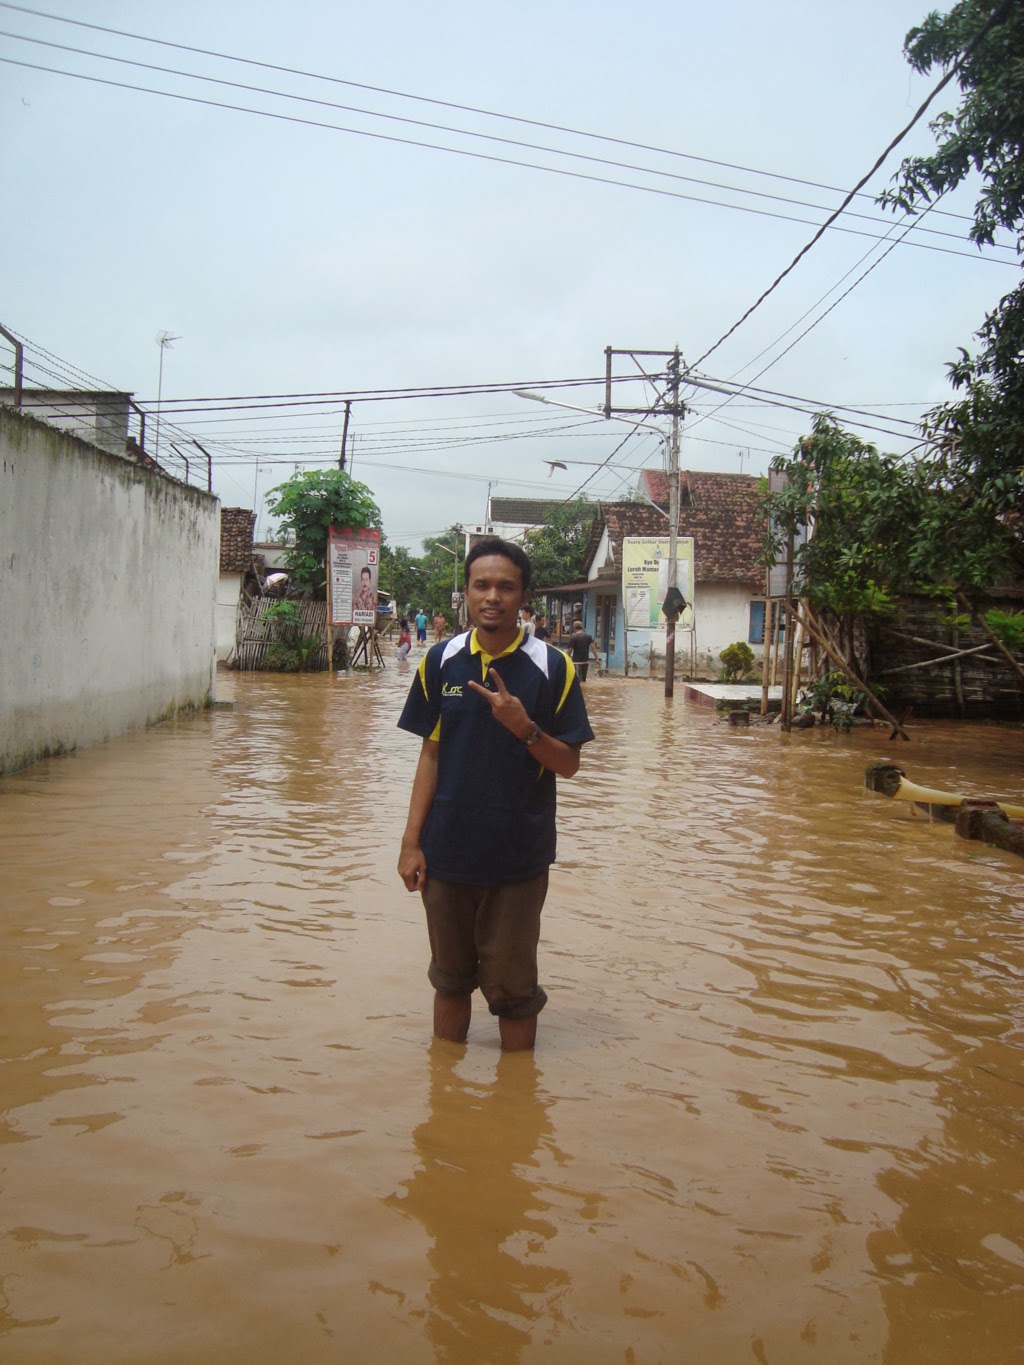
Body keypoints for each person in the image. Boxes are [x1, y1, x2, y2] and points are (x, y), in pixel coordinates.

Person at [397, 537, 594, 1051]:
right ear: (465, 592)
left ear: (523, 595)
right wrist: (411, 843)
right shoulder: (440, 661)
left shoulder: (553, 667)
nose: (492, 597)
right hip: (447, 854)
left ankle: (517, 1089)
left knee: (514, 994)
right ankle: (447, 1088)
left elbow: (569, 764)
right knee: (449, 981)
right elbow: (431, 756)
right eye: (481, 585)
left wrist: (524, 727)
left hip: (517, 860)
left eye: (506, 587)